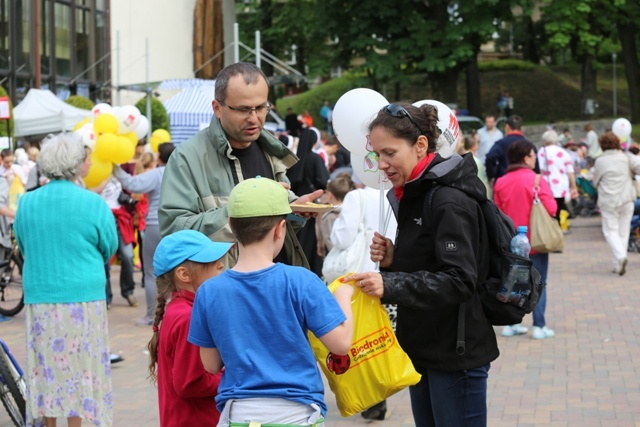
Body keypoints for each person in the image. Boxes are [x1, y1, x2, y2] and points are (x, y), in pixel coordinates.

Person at [345, 102, 498, 426]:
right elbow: (431, 263)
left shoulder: (447, 198)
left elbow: (459, 279)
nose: (382, 164)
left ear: (421, 145)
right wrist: (393, 261)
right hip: (425, 347)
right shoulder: (414, 192)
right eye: (377, 154)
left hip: (456, 354)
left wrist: (391, 283)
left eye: (389, 153)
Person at [188, 177, 354, 426]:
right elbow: (340, 344)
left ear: (232, 225)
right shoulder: (301, 281)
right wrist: (344, 295)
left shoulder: (209, 291)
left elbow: (211, 364)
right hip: (297, 413)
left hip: (239, 414)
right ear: (280, 228)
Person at [159, 62, 322, 267]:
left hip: (275, 284)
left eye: (261, 107)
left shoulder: (271, 151)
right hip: (226, 291)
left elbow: (269, 220)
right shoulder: (187, 158)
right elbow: (175, 233)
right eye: (243, 109)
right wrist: (242, 209)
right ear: (217, 108)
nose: (254, 118)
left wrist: (293, 207)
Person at [14, 133, 118, 426]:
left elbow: (23, 242)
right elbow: (108, 246)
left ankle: (49, 423)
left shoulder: (27, 202)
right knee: (80, 369)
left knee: (45, 367)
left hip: (40, 296)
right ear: (77, 164)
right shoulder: (92, 203)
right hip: (84, 296)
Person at [148, 230, 232, 427]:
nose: (221, 265)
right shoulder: (188, 317)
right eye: (209, 262)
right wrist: (234, 375)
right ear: (184, 274)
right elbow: (190, 383)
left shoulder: (183, 310)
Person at [493, 140, 557, 340]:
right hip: (535, 242)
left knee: (512, 282)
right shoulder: (537, 180)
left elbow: (497, 212)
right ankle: (539, 325)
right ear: (526, 157)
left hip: (511, 243)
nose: (535, 158)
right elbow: (552, 209)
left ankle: (511, 323)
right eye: (533, 155)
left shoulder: (501, 182)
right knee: (539, 283)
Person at [114, 143, 176, 326]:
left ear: (159, 157)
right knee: (177, 273)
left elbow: (132, 184)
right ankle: (175, 314)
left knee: (151, 273)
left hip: (155, 226)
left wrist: (114, 168)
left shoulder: (156, 174)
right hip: (178, 227)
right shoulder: (183, 172)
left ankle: (152, 316)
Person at [592, 132, 640, 275]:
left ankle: (620, 257)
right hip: (626, 199)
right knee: (623, 232)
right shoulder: (626, 157)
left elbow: (595, 182)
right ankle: (617, 264)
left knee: (610, 231)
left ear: (602, 145)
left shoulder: (600, 161)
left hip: (608, 201)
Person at [287, 128, 330, 276]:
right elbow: (324, 180)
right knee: (310, 239)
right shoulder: (315, 158)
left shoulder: (292, 160)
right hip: (310, 205)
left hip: (294, 202)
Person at [99, 176, 138, 308]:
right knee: (104, 260)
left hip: (120, 218)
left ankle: (128, 291)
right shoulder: (95, 172)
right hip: (103, 217)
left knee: (128, 256)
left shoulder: (116, 172)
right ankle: (106, 297)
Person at [538, 130, 579, 222]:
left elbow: (539, 170)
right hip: (561, 187)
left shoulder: (542, 152)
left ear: (544, 140)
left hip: (546, 186)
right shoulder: (563, 153)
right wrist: (574, 187)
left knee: (549, 212)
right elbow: (570, 172)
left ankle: (552, 231)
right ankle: (559, 230)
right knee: (559, 209)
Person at [485, 114, 538, 186]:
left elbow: (490, 157)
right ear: (521, 128)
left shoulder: (501, 143)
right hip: (526, 183)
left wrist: (492, 175)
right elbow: (536, 165)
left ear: (507, 127)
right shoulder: (529, 145)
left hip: (505, 182)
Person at [315, 175, 353, 257]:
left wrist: (320, 243)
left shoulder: (329, 217)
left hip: (336, 258)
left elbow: (330, 242)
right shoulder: (350, 211)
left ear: (329, 195)